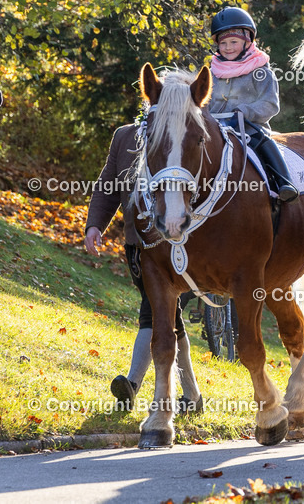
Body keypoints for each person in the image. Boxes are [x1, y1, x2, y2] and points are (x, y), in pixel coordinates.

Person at [85, 124, 202, 413]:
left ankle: (132, 384)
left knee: (154, 312)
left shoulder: (181, 134)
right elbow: (108, 185)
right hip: (136, 246)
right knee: (170, 318)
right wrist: (95, 225)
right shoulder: (124, 136)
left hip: (175, 245)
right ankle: (193, 396)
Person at [208, 7, 297, 202]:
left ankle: (284, 181)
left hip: (249, 128)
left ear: (247, 42)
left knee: (264, 141)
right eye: (223, 43)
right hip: (215, 128)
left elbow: (270, 104)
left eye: (234, 42)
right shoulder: (212, 73)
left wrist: (245, 111)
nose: (228, 47)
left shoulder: (261, 72)